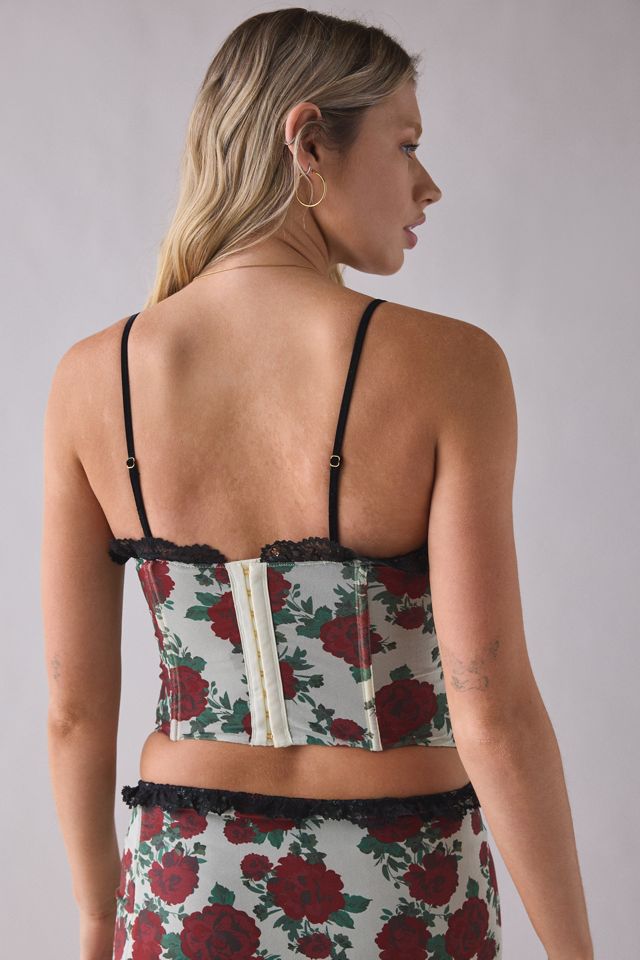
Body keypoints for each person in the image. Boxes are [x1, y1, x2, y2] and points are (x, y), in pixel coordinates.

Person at [41, 9, 594, 960]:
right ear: (307, 142)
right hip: (408, 883)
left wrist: (100, 920)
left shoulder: (93, 381)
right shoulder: (450, 367)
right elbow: (492, 704)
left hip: (185, 887)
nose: (428, 183)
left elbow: (74, 713)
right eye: (406, 143)